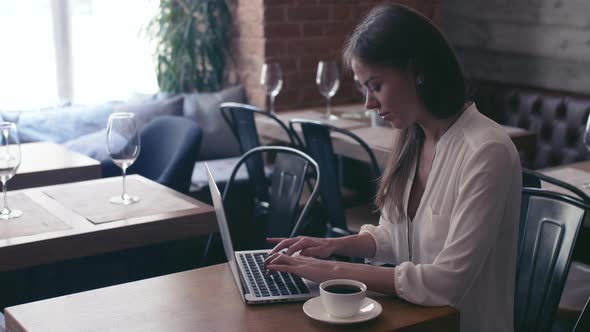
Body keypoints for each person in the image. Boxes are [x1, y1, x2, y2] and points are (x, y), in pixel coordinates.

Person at [264, 4, 521, 332]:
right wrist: (332, 246)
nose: (368, 103)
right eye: (365, 88)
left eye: (375, 85)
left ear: (417, 71)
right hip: (410, 320)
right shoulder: (412, 139)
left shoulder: (487, 151)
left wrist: (328, 270)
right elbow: (392, 236)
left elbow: (447, 282)